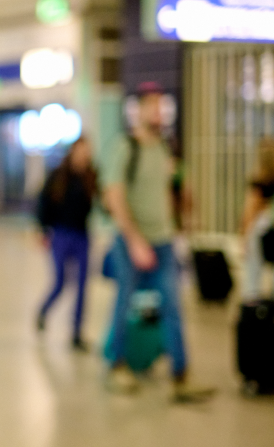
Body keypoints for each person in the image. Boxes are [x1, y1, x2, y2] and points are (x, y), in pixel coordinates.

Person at [103, 82, 215, 402]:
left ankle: (181, 375)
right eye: (152, 105)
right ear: (138, 110)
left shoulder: (165, 148)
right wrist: (135, 240)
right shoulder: (125, 147)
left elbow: (166, 190)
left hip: (164, 240)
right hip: (131, 241)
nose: (159, 111)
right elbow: (114, 196)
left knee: (173, 306)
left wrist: (181, 221)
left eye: (162, 105)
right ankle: (117, 364)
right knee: (124, 303)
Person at [36, 137, 97, 351]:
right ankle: (43, 311)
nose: (83, 155)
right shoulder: (58, 176)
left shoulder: (91, 176)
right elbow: (43, 202)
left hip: (82, 236)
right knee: (61, 281)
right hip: (61, 234)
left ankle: (77, 332)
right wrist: (43, 230)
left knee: (82, 285)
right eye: (80, 151)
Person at [240, 138, 274, 300]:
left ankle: (251, 309)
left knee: (252, 274)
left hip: (260, 229)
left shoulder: (260, 180)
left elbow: (250, 211)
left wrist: (244, 237)